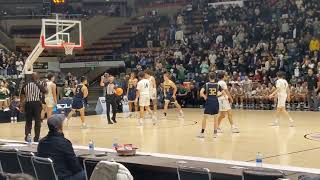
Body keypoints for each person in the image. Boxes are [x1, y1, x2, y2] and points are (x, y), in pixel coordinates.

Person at [37, 114, 86, 180]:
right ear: (60, 127)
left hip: (47, 176)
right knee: (89, 172)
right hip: (63, 177)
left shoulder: (41, 142)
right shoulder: (64, 143)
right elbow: (76, 167)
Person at [20, 72, 47, 142]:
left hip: (28, 104)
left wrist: (21, 105)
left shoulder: (25, 85)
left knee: (28, 121)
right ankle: (36, 137)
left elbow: (22, 96)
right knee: (37, 121)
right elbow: (45, 91)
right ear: (36, 78)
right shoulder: (38, 85)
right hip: (36, 104)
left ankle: (28, 136)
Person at [197, 72, 226, 138]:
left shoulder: (206, 84)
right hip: (215, 102)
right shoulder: (218, 85)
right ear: (215, 77)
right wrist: (217, 96)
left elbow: (201, 92)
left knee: (205, 117)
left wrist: (204, 96)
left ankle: (202, 133)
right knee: (215, 118)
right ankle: (215, 133)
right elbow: (223, 93)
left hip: (208, 102)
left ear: (209, 77)